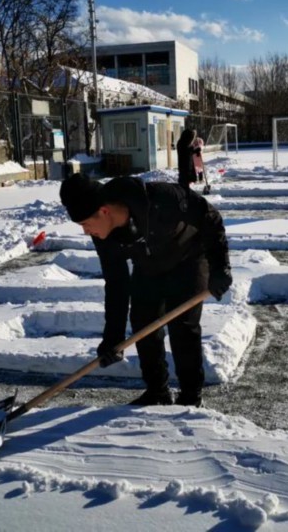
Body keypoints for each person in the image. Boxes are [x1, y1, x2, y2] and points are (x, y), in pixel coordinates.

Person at [59, 172, 232, 407]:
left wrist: (220, 267)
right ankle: (157, 391)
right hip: (149, 267)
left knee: (183, 326)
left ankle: (191, 397)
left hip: (188, 259)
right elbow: (116, 282)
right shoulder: (104, 235)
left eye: (85, 224)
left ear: (105, 211)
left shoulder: (162, 198)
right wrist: (113, 339)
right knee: (143, 322)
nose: (85, 231)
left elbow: (209, 217)